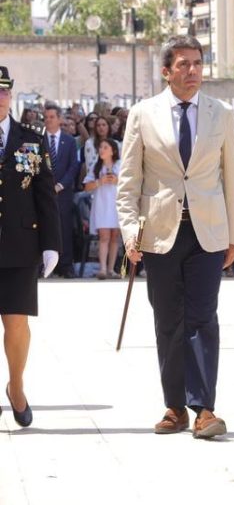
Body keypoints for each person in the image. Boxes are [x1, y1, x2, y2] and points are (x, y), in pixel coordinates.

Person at [117, 35, 234, 440]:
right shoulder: (143, 114)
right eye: (184, 64)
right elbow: (129, 181)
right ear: (166, 71)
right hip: (159, 233)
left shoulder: (221, 114)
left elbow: (231, 177)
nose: (192, 71)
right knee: (168, 318)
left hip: (208, 232)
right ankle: (175, 407)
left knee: (203, 318)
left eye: (198, 63)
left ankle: (204, 408)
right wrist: (130, 232)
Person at [0, 68, 61, 428]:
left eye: (4, 91)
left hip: (20, 243)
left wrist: (51, 244)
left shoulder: (30, 141)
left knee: (17, 322)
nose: (0, 97)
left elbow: (44, 194)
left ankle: (16, 386)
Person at [43, 102, 80, 279]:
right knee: (44, 228)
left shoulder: (70, 141)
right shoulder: (38, 139)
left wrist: (60, 185)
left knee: (64, 228)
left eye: (52, 117)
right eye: (46, 117)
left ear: (59, 119)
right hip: (43, 193)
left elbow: (74, 167)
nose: (48, 120)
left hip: (63, 193)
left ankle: (65, 265)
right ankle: (43, 266)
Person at [83, 138, 122, 280]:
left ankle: (111, 269)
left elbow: (128, 182)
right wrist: (100, 182)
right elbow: (87, 187)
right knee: (104, 235)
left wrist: (117, 180)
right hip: (101, 204)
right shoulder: (96, 166)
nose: (101, 150)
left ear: (113, 150)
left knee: (114, 236)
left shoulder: (120, 165)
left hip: (116, 203)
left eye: (105, 147)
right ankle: (103, 268)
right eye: (100, 147)